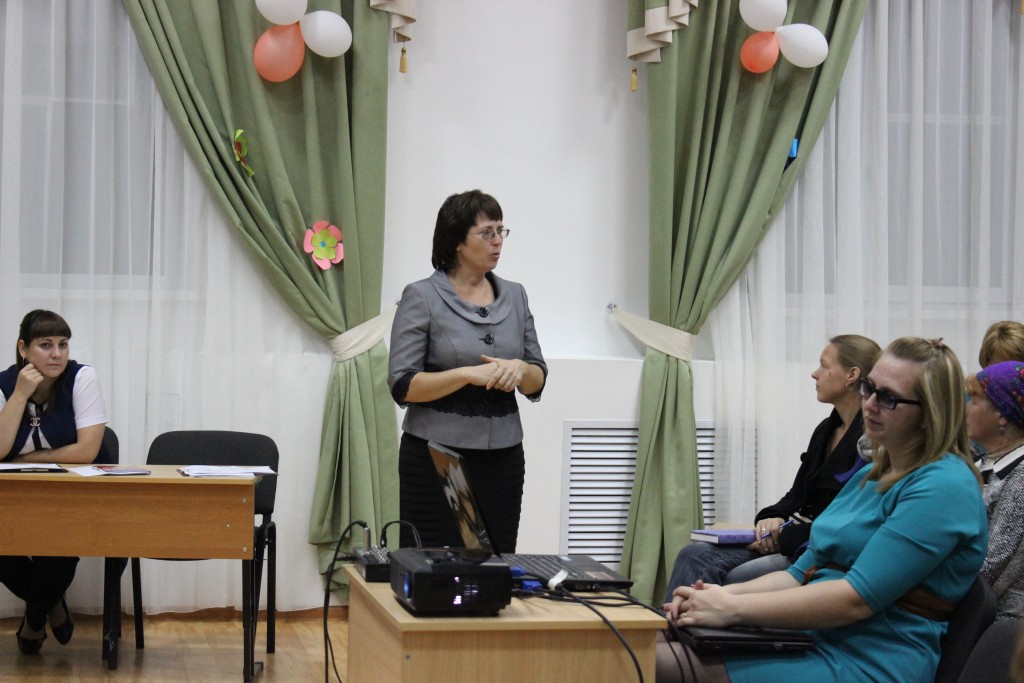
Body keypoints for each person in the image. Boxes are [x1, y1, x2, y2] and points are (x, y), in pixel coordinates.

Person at [657, 337, 988, 683]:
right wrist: (713, 597)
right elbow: (796, 575)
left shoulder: (944, 486)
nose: (869, 404)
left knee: (651, 663)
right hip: (817, 638)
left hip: (871, 660)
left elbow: (856, 599)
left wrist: (732, 608)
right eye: (869, 388)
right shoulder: (871, 473)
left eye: (888, 398)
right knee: (648, 644)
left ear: (931, 412)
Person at [388, 190, 547, 552]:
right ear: (457, 241)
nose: (497, 241)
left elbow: (537, 378)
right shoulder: (422, 296)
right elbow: (402, 383)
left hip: (503, 457)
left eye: (501, 231)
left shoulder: (516, 295)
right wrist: (465, 375)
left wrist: (520, 369)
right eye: (487, 232)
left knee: (494, 565)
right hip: (441, 457)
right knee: (438, 566)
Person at [665, 335, 880, 595]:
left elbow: (846, 525)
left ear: (852, 375)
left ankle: (683, 619)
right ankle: (676, 621)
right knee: (694, 552)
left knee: (729, 573)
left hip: (816, 550)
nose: (814, 374)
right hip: (791, 538)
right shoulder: (826, 429)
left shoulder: (871, 443)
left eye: (824, 365)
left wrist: (778, 538)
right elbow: (796, 497)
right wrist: (770, 518)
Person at [0, 310, 108, 654]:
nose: (57, 354)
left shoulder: (81, 377)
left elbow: (87, 450)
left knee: (59, 547)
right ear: (23, 349)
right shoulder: (4, 385)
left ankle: (34, 621)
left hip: (75, 492)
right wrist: (20, 395)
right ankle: (52, 606)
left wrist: (25, 460)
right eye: (45, 345)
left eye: (63, 344)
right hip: (15, 496)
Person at [967, 361, 1024, 619]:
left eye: (974, 401)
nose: (965, 408)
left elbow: (993, 561)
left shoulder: (1021, 475)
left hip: (1003, 622)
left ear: (1002, 414)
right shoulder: (980, 462)